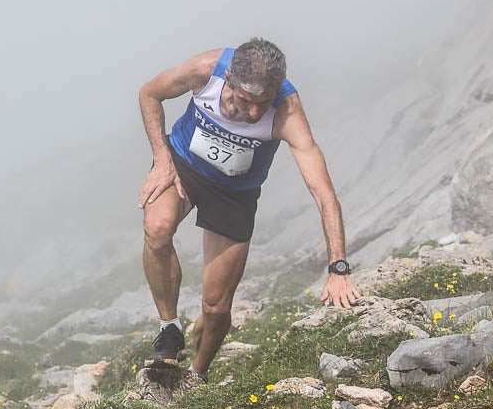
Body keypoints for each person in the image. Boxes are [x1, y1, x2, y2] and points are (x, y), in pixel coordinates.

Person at [137, 38, 361, 380]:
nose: (255, 113)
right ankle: (170, 329)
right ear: (228, 80)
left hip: (234, 193)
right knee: (157, 227)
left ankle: (198, 375)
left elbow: (323, 192)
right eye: (245, 101)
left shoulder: (288, 111)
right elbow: (149, 93)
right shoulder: (205, 70)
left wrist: (339, 267)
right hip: (183, 163)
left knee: (216, 307)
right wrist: (161, 157)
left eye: (263, 103)